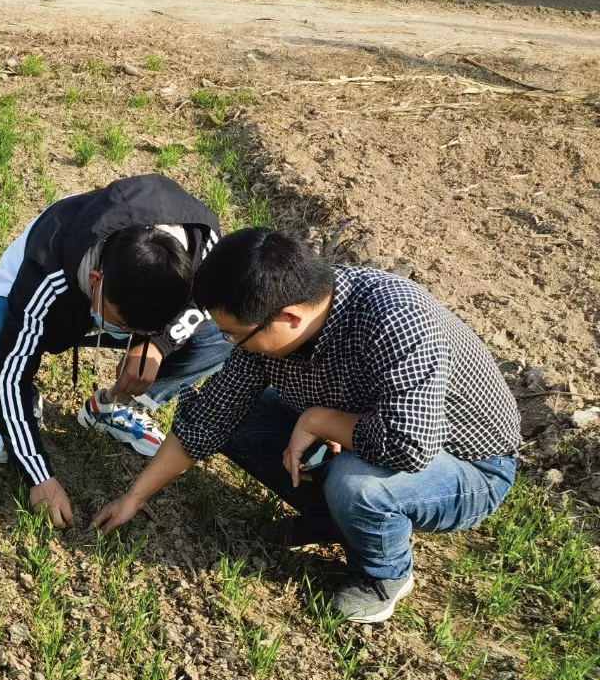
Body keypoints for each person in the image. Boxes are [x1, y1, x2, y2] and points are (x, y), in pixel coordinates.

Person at [93, 228, 521, 623]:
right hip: (373, 432)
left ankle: (385, 575)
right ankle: (334, 517)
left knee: (358, 485)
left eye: (234, 336)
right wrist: (134, 496)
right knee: (239, 416)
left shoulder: (397, 319)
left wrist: (320, 420)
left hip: (469, 466)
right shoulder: (273, 315)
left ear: (290, 318)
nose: (229, 344)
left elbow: (409, 445)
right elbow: (212, 417)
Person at [0, 174, 232, 527]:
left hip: (117, 303)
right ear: (96, 282)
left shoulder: (203, 240)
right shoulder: (49, 262)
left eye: (141, 328)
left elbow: (205, 301)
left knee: (222, 333)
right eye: (124, 323)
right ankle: (22, 412)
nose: (131, 333)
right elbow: (11, 370)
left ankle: (118, 405)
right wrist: (38, 475)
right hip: (53, 308)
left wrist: (157, 344)